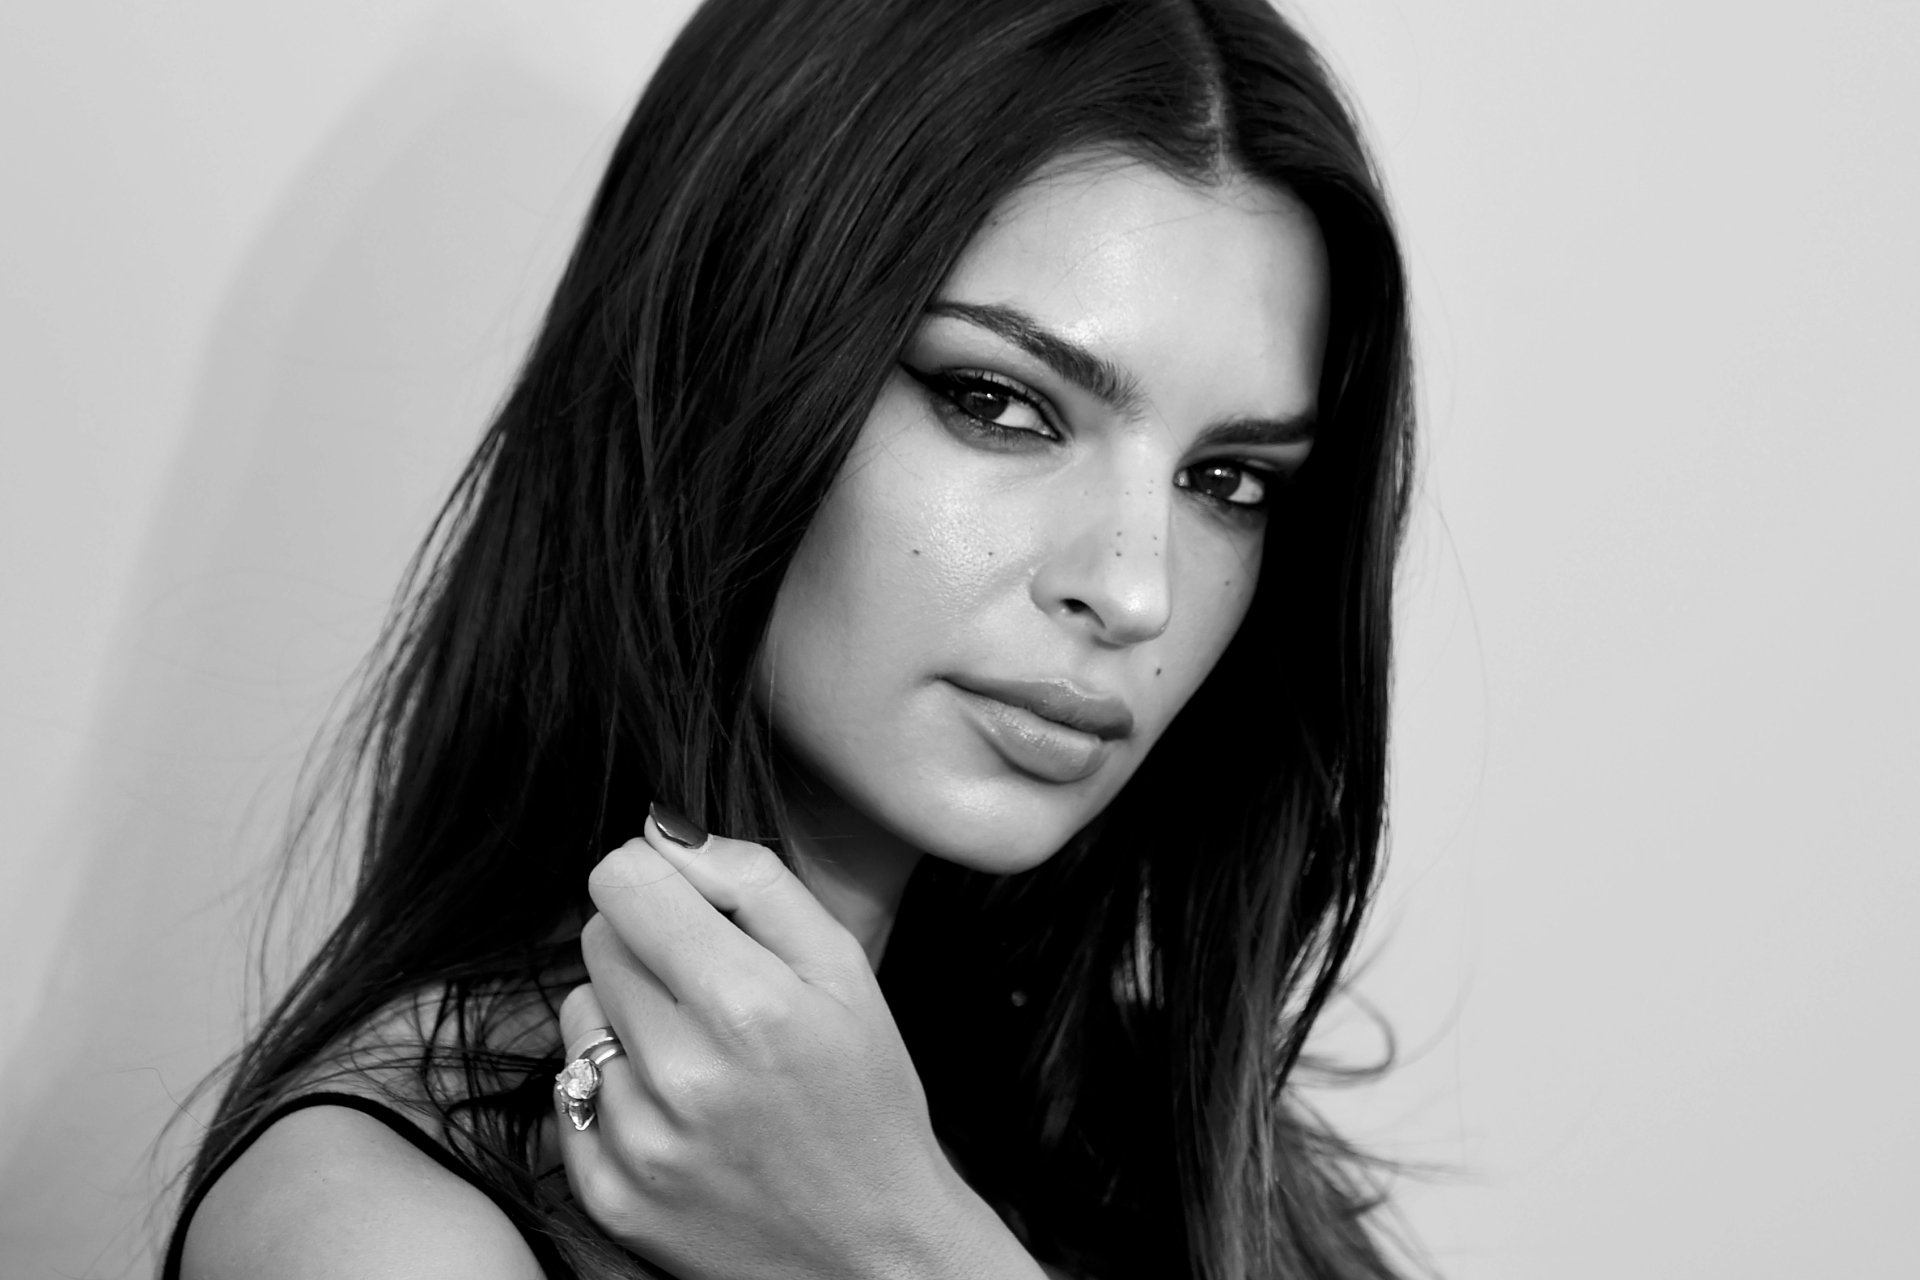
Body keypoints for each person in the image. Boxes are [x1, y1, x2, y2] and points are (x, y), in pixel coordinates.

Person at [161, 0, 1415, 1275]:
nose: (1138, 589)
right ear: (726, 365)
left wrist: (898, 1241)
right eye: (998, 402)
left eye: (1228, 480)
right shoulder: (385, 1230)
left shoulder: (1190, 1156)